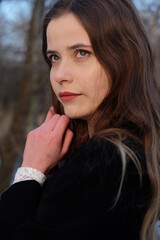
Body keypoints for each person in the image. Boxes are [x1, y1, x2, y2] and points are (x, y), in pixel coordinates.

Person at [0, 0, 160, 239]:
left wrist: (30, 172)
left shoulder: (106, 164)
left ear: (123, 57)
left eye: (82, 53)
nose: (60, 75)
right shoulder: (133, 149)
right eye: (54, 57)